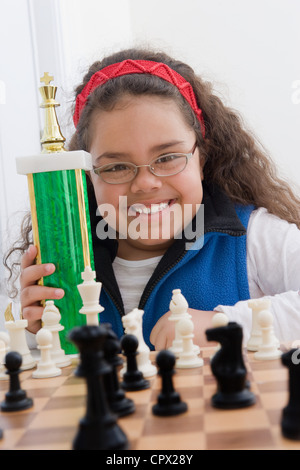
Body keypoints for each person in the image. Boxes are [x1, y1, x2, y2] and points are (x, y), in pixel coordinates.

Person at [4, 47, 300, 350]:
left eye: (168, 157)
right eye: (116, 166)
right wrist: (34, 333)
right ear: (87, 175)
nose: (145, 183)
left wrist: (222, 325)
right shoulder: (66, 261)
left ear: (203, 156)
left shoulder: (254, 236)